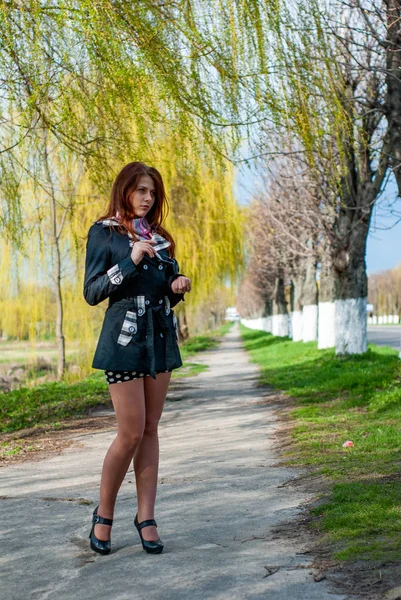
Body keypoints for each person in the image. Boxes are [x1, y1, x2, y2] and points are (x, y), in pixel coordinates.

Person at [83, 161, 192, 555]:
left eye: (152, 192)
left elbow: (164, 286)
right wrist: (130, 260)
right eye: (141, 190)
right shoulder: (105, 233)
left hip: (160, 336)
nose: (147, 198)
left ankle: (146, 516)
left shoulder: (161, 239)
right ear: (125, 190)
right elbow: (93, 292)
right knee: (130, 431)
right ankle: (104, 514)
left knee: (150, 429)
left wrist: (177, 285)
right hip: (123, 338)